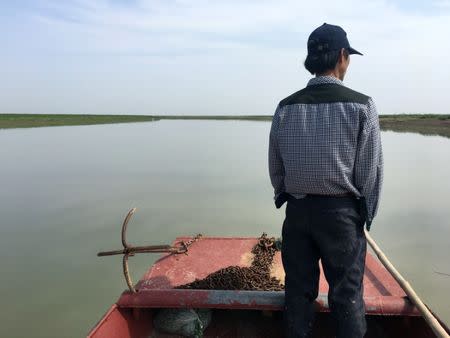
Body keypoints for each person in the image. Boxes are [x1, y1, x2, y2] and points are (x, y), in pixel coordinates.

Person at [268, 23, 383, 338]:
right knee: (346, 297)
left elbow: (275, 168)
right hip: (341, 217)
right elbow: (369, 174)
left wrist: (285, 196)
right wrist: (364, 215)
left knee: (298, 294)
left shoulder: (285, 107)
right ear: (342, 56)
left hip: (298, 213)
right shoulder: (363, 105)